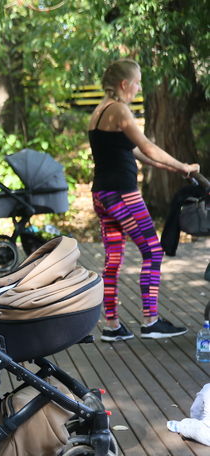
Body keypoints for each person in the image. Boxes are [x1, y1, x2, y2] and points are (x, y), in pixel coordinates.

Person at [88, 58, 199, 342]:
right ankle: (150, 320)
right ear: (125, 84)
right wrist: (184, 167)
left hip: (102, 195)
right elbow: (147, 146)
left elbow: (129, 152)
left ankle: (112, 326)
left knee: (113, 259)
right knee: (153, 251)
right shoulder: (120, 110)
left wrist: (171, 166)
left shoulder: (99, 111)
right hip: (123, 195)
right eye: (137, 82)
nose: (139, 88)